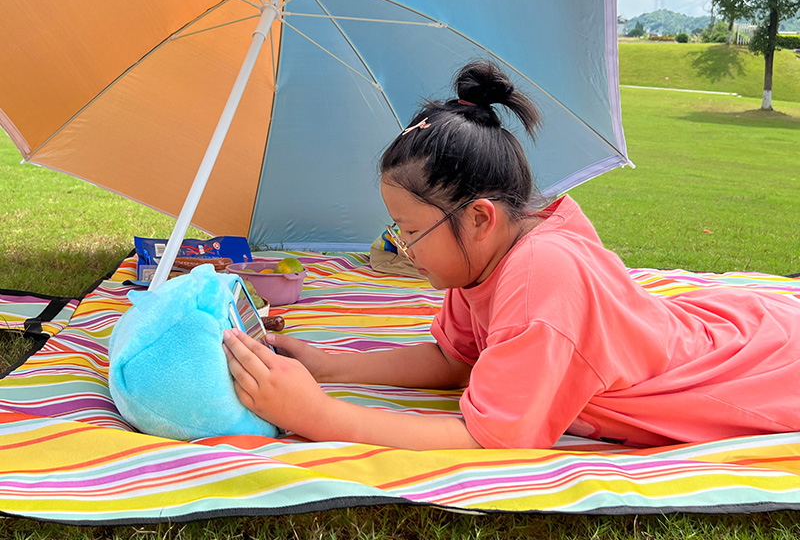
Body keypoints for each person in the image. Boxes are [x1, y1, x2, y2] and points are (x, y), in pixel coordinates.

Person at [223, 59, 800, 450]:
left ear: (479, 218)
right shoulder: (483, 260)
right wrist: (325, 365)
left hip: (752, 374)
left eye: (409, 230)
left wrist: (316, 416)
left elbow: (493, 440)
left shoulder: (538, 274)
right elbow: (455, 359)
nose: (402, 248)